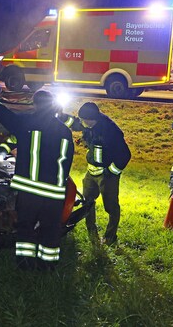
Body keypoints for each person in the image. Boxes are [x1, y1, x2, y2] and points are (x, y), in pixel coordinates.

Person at [0, 89, 74, 271]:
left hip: (30, 191)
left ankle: (25, 265)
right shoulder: (64, 131)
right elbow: (68, 160)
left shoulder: (26, 123)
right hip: (54, 192)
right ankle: (48, 266)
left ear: (35, 105)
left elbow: (5, 116)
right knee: (50, 230)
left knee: (26, 227)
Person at [61, 102, 131, 246]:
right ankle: (92, 234)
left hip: (107, 176)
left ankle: (110, 237)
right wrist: (59, 116)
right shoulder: (89, 123)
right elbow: (74, 123)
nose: (82, 123)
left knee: (110, 206)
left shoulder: (110, 131)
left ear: (91, 119)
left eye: (84, 120)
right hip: (91, 172)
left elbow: (125, 155)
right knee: (88, 203)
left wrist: (110, 172)